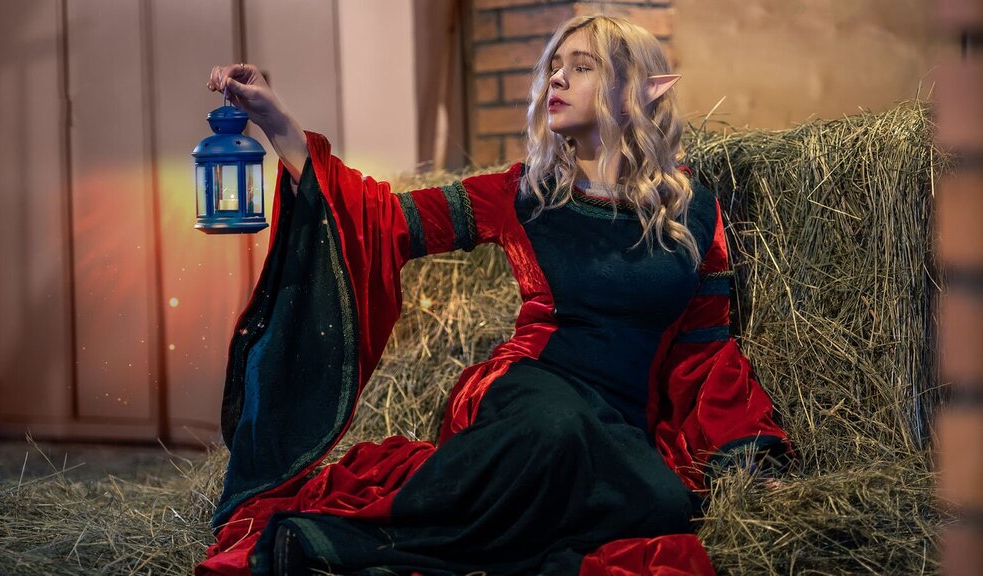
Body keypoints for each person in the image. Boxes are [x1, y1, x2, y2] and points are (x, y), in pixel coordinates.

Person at [199, 14, 791, 576]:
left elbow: (705, 351)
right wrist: (276, 121)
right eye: (554, 66)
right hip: (528, 391)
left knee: (663, 505)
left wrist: (745, 449)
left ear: (640, 90)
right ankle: (330, 541)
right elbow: (382, 219)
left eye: (581, 67)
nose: (556, 79)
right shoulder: (524, 193)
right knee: (556, 427)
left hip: (617, 423)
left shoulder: (694, 213)